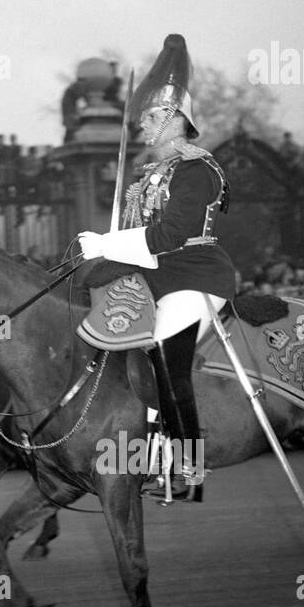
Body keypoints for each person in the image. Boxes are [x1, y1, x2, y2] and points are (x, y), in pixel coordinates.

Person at [75, 34, 236, 501]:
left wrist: (109, 242)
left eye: (150, 116)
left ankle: (190, 467)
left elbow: (168, 238)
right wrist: (104, 255)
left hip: (195, 277)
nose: (142, 125)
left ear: (174, 119)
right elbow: (138, 237)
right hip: (155, 278)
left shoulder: (198, 170)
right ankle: (146, 456)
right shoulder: (149, 176)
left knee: (165, 351)